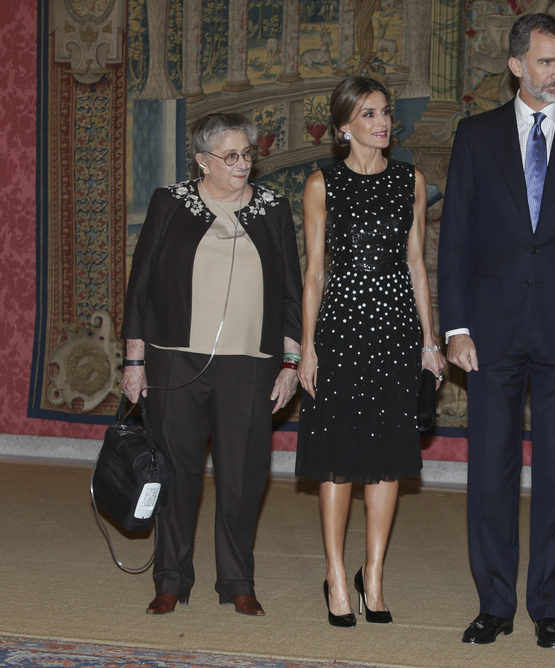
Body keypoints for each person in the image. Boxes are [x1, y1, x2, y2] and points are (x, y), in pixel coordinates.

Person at [438, 13, 555, 649]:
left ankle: (549, 606)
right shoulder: (476, 135)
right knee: (489, 471)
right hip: (488, 334)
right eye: (547, 62)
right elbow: (455, 238)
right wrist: (454, 327)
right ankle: (494, 604)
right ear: (516, 65)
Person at [121, 112, 303, 617]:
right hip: (174, 360)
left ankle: (237, 580)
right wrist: (135, 362)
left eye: (247, 153)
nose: (242, 163)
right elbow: (142, 288)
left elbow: (291, 293)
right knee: (176, 474)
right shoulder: (169, 204)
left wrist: (290, 363)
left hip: (251, 365)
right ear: (201, 161)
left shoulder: (273, 208)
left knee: (242, 475)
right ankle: (172, 580)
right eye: (230, 156)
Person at [295, 76, 446, 628]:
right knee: (337, 458)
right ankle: (336, 575)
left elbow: (416, 265)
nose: (382, 123)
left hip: (395, 331)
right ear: (343, 127)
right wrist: (307, 348)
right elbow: (314, 272)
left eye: (385, 113)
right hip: (338, 330)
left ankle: (373, 575)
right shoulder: (322, 184)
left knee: (386, 459)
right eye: (368, 114)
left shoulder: (411, 180)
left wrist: (430, 342)